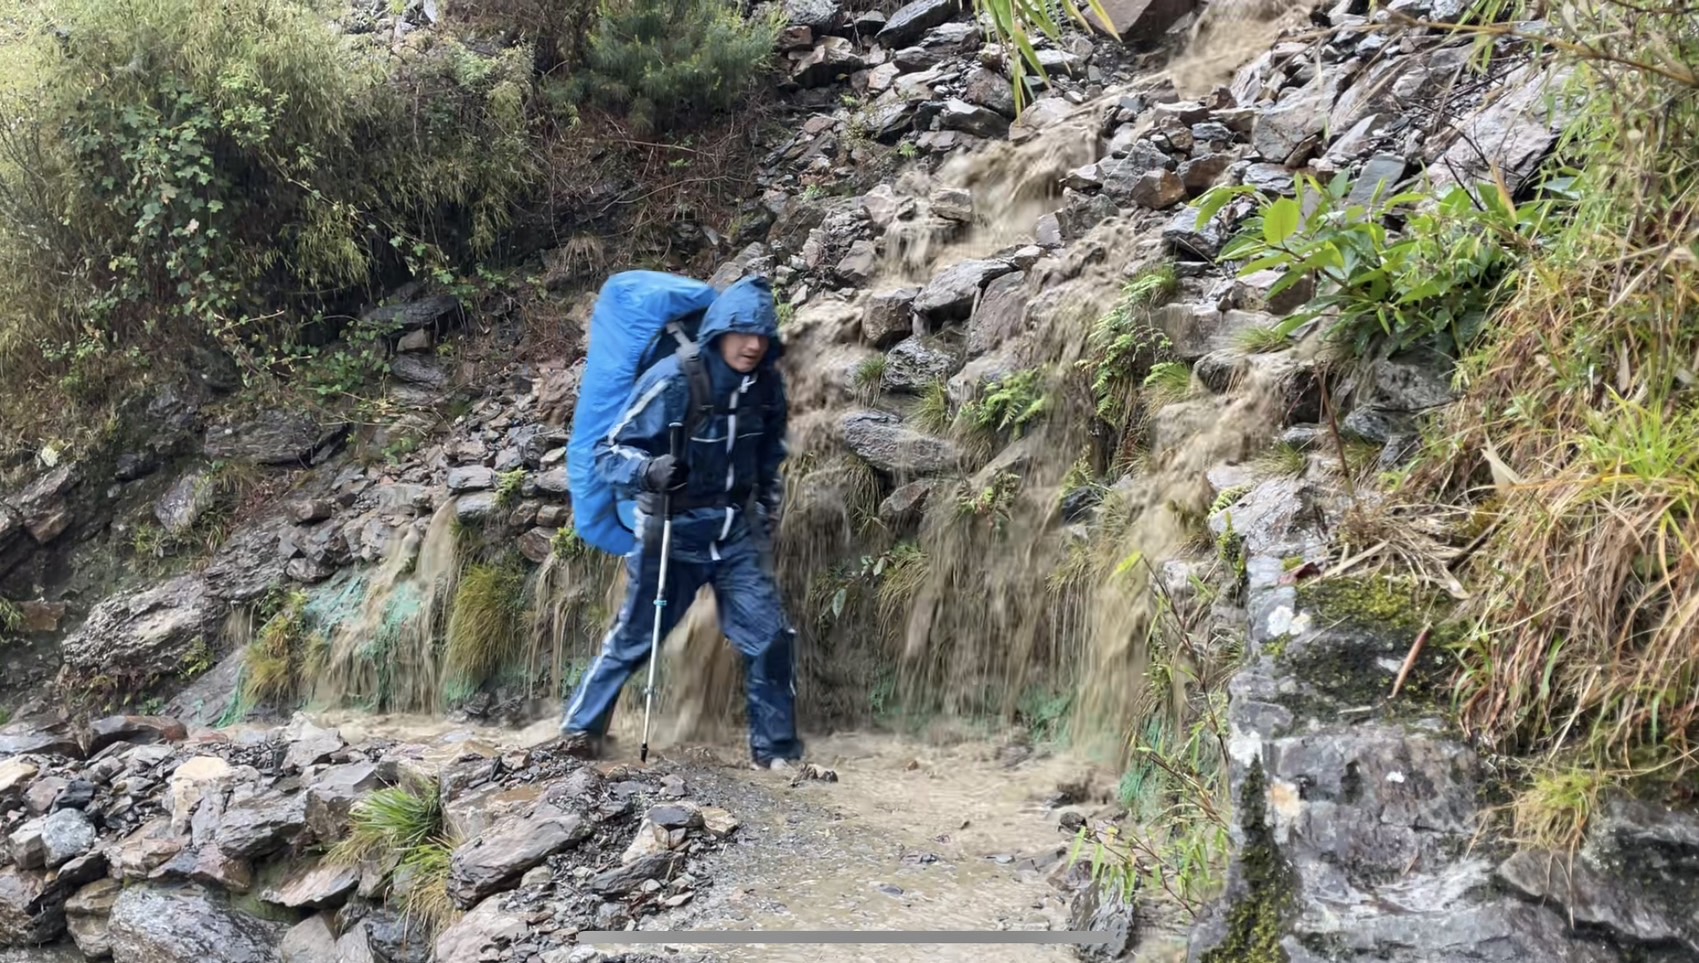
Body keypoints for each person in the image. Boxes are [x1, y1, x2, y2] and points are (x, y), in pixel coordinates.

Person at [556, 275, 804, 770]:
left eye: (761, 336)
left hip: (734, 532)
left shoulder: (766, 386)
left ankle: (776, 755)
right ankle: (579, 732)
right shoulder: (673, 380)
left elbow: (769, 454)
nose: (753, 345)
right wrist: (647, 470)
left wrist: (765, 514)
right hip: (672, 531)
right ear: (719, 332)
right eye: (742, 333)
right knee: (635, 638)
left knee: (771, 637)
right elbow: (608, 452)